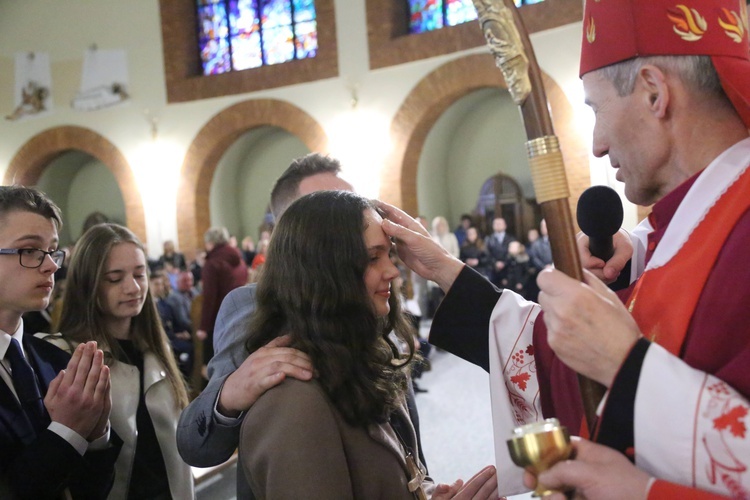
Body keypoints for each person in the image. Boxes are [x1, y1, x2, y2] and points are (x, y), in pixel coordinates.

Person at [379, 0, 750, 496]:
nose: (595, 143)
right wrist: (447, 271)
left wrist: (640, 489)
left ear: (654, 93)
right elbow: (570, 363)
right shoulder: (679, 229)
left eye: (595, 108)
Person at [178, 153, 487, 499]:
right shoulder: (288, 384)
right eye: (370, 256)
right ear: (308, 240)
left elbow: (398, 450)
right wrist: (228, 395)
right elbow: (197, 445)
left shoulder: (368, 329)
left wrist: (424, 492)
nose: (392, 271)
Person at [239, 190, 497, 498]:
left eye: (389, 255)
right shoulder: (295, 403)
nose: (392, 271)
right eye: (373, 258)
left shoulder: (365, 356)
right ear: (324, 270)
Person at [49, 223, 193, 499]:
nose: (133, 287)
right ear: (88, 284)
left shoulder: (155, 348)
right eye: (115, 279)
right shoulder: (66, 354)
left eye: (140, 274)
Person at [0, 185, 118, 498]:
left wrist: (96, 435)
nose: (52, 264)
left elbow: (91, 492)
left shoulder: (56, 360)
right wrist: (68, 431)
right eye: (29, 250)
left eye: (53, 250)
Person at [196, 226, 248, 363]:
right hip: (241, 317)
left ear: (210, 243)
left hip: (219, 321)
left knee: (211, 365)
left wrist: (203, 327)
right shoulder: (240, 260)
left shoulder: (212, 264)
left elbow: (209, 297)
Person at [484, 217, 516, 288]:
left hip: (508, 270)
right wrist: (495, 263)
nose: (498, 225)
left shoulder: (511, 239)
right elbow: (487, 254)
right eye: (496, 224)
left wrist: (504, 263)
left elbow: (512, 253)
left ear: (505, 225)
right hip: (493, 271)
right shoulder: (488, 239)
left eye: (500, 223)